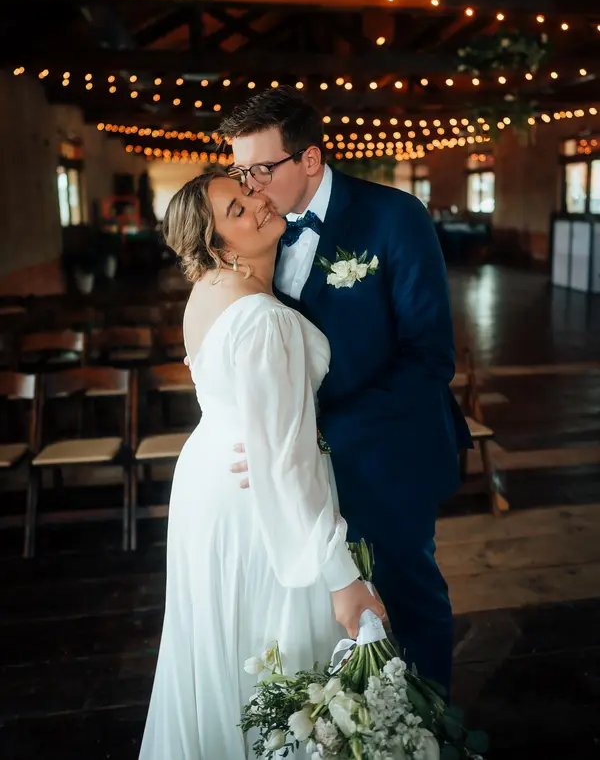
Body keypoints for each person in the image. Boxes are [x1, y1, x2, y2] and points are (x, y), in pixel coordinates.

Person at [220, 86, 472, 695]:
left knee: (408, 600)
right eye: (240, 172)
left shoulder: (395, 217)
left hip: (389, 454)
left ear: (309, 158)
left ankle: (435, 726)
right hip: (302, 479)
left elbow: (430, 359)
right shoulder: (257, 232)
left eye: (261, 169)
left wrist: (319, 432)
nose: (250, 187)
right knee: (336, 612)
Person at [139, 169, 384, 759]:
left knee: (227, 642)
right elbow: (285, 463)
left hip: (211, 480)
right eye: (236, 209)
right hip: (256, 498)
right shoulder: (263, 317)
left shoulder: (208, 291)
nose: (256, 203)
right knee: (280, 654)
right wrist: (342, 579)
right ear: (218, 245)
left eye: (246, 191)